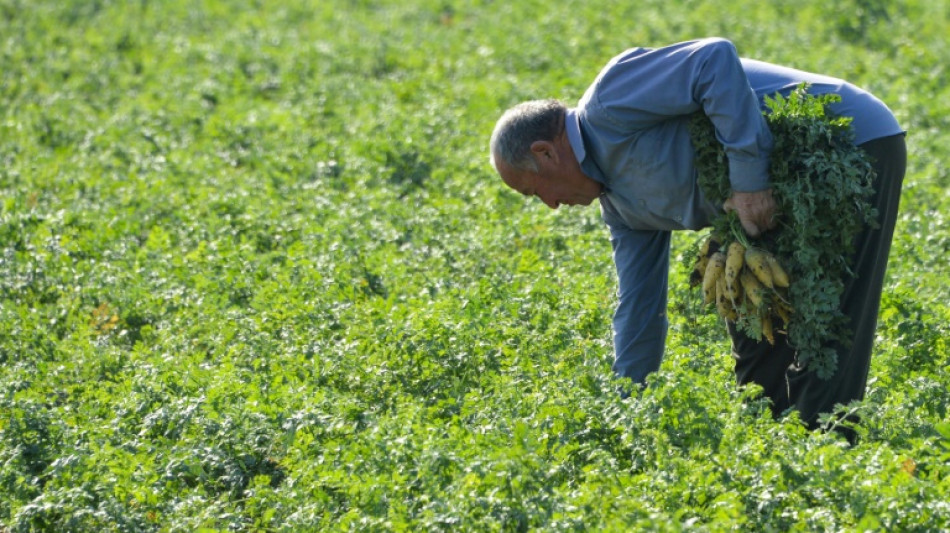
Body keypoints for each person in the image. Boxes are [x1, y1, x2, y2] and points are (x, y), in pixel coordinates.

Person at [489, 37, 906, 435]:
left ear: (545, 152)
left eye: (533, 190)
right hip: (778, 191)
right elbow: (638, 308)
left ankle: (827, 460)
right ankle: (778, 456)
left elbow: (713, 59)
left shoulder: (610, 101)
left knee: (824, 322)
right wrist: (625, 408)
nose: (549, 206)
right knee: (756, 330)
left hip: (850, 143)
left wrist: (748, 181)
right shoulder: (622, 208)